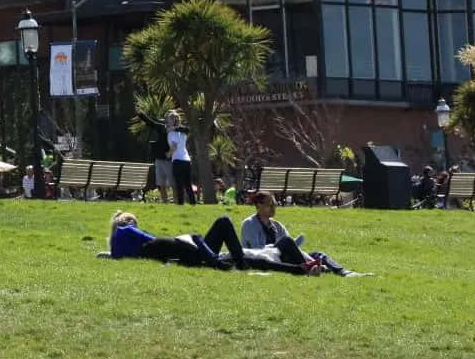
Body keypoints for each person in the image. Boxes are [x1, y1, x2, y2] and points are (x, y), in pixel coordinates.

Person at [107, 210, 308, 275]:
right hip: (193, 251)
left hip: (190, 254)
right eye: (134, 222)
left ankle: (297, 268)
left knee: (256, 259)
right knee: (223, 222)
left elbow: (114, 254)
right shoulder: (127, 231)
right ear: (125, 222)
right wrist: (213, 260)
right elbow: (147, 237)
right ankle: (238, 262)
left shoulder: (119, 247)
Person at [239, 191, 354, 275]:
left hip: (282, 257)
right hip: (266, 260)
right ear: (259, 205)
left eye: (275, 204)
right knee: (286, 241)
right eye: (270, 205)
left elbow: (292, 247)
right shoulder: (249, 224)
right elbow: (256, 251)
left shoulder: (276, 225)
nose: (274, 208)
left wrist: (307, 256)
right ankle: (310, 268)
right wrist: (275, 247)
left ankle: (342, 271)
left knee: (318, 254)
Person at [135, 109, 174, 203]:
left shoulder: (177, 130)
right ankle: (165, 203)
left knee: (173, 184)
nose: (170, 119)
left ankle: (177, 202)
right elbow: (150, 122)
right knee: (161, 183)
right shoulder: (161, 128)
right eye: (169, 117)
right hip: (159, 159)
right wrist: (140, 113)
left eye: (172, 117)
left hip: (170, 160)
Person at [166, 111, 195, 205]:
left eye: (169, 119)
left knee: (179, 184)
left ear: (171, 120)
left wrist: (168, 155)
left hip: (177, 160)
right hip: (187, 160)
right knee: (188, 185)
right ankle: (193, 203)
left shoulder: (172, 133)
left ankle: (180, 204)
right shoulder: (182, 132)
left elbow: (174, 146)